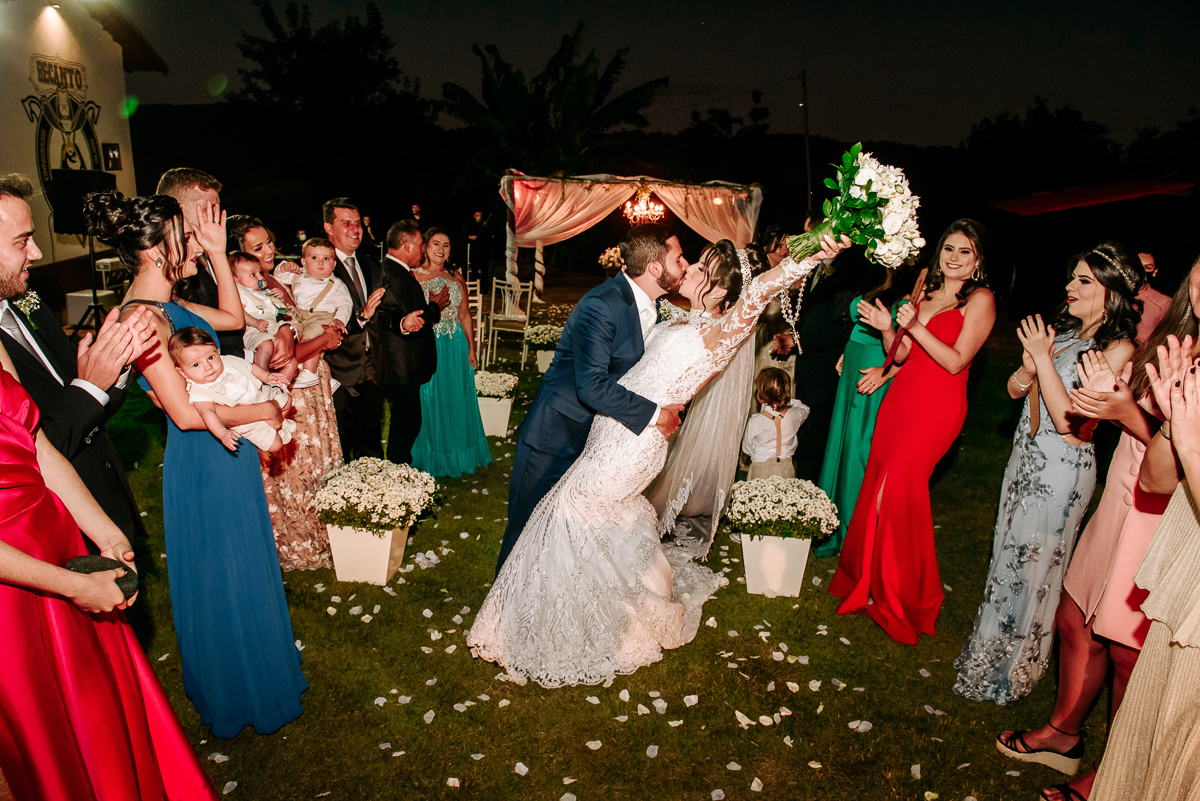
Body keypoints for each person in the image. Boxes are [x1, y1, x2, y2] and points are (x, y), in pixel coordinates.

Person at [467, 235, 848, 687]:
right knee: (587, 522)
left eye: (701, 270)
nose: (688, 270)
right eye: (688, 262)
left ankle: (561, 627)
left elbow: (760, 288)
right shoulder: (683, 319)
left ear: (724, 293)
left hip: (634, 445)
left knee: (570, 512)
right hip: (612, 434)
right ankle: (588, 606)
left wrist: (812, 256)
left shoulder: (721, 331)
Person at [88, 190, 308, 738]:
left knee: (245, 563)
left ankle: (261, 674)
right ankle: (237, 691)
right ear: (157, 246)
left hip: (228, 450)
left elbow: (232, 318)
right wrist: (269, 408)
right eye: (184, 236)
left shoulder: (173, 307)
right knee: (222, 573)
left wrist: (215, 252)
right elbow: (185, 416)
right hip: (204, 459)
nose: (190, 242)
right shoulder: (140, 320)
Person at [997, 254, 1198, 801]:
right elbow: (1112, 415)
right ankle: (1063, 733)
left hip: (1162, 508)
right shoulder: (1179, 338)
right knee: (1074, 614)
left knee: (1131, 650)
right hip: (1122, 488)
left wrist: (1122, 407)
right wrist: (1109, 398)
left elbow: (1172, 447)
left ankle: (1115, 772)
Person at [0, 351, 218, 800]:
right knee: (53, 733)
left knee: (105, 710)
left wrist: (106, 534)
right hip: (14, 589)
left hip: (59, 544)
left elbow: (34, 444)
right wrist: (74, 586)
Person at [955, 243, 1140, 705]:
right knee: (1007, 552)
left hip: (1062, 467)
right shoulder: (1067, 331)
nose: (1068, 287)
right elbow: (1014, 390)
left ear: (1110, 292)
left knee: (1035, 566)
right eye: (1072, 277)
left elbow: (1069, 421)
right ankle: (987, 652)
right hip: (1026, 455)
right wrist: (1027, 364)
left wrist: (1043, 356)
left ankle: (1015, 669)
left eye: (1083, 281)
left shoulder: (1118, 348)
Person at [830, 219, 997, 645]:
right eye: (949, 248)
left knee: (900, 488)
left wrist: (916, 326)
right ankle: (867, 580)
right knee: (880, 486)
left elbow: (957, 361)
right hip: (901, 400)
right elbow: (900, 353)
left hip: (938, 406)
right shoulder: (924, 292)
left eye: (965, 251)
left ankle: (902, 596)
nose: (954, 257)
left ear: (977, 262)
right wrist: (889, 327)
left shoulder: (980, 301)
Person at [494, 224, 689, 574]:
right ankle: (499, 621)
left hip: (597, 446)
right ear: (655, 268)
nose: (685, 264)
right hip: (554, 436)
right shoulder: (602, 304)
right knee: (523, 533)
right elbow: (592, 386)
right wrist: (656, 415)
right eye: (679, 257)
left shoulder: (655, 309)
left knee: (562, 539)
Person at [0, 173, 151, 552]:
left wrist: (111, 370)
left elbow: (79, 399)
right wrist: (89, 388)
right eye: (22, 241)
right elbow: (27, 452)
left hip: (100, 496)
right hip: (52, 526)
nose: (35, 252)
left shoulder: (25, 299)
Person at [1089, 327, 1200, 800]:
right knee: (1156, 735)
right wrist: (1175, 426)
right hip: (1186, 574)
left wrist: (1190, 444)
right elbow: (1155, 483)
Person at [231, 216, 346, 572]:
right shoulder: (244, 295)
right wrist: (324, 341)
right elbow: (283, 356)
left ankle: (328, 534)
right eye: (257, 247)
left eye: (268, 242)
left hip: (312, 388)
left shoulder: (277, 281)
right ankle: (299, 544)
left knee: (318, 465)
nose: (268, 251)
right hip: (289, 392)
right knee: (295, 471)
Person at [645, 244, 770, 547]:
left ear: (718, 292)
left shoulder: (708, 335)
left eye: (702, 269)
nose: (688, 268)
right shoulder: (691, 321)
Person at [814, 265, 908, 557]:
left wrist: (886, 369)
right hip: (854, 357)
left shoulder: (906, 295)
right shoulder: (874, 279)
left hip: (874, 362)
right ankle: (832, 524)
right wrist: (847, 349)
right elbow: (858, 322)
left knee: (858, 446)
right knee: (842, 440)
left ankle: (854, 532)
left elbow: (907, 347)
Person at [158, 168, 296, 365]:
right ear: (179, 210)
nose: (216, 217)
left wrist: (285, 330)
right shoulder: (175, 271)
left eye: (217, 208)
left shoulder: (223, 257)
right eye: (208, 209)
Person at [772, 211, 858, 480]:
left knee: (821, 434)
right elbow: (812, 316)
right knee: (805, 432)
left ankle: (820, 492)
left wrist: (799, 341)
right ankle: (803, 488)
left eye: (810, 235)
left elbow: (843, 326)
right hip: (808, 363)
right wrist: (793, 336)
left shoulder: (849, 269)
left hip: (828, 368)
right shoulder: (818, 266)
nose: (805, 240)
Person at [408, 227, 492, 477]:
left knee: (456, 396)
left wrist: (472, 349)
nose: (441, 249)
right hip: (427, 343)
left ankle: (459, 451)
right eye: (436, 243)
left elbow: (465, 315)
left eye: (446, 245)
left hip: (455, 344)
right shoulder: (414, 276)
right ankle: (430, 453)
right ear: (425, 247)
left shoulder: (456, 278)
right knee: (429, 397)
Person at [377, 220, 450, 465]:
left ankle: (400, 467)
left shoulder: (396, 270)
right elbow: (409, 318)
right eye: (420, 245)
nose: (422, 250)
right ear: (406, 246)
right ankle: (398, 469)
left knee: (408, 420)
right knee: (406, 421)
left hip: (406, 365)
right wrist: (435, 306)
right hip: (400, 365)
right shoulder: (391, 273)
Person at [322, 197, 387, 460]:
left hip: (373, 369)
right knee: (341, 444)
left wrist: (404, 323)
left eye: (358, 223)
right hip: (339, 370)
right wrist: (359, 318)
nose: (354, 229)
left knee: (370, 443)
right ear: (328, 228)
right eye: (346, 223)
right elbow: (318, 318)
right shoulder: (319, 266)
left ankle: (372, 493)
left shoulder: (372, 264)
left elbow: (386, 312)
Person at [170, 327, 296, 453]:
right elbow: (208, 414)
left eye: (210, 357)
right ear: (183, 372)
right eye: (196, 365)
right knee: (275, 445)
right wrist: (222, 433)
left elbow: (251, 368)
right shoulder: (199, 392)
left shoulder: (228, 361)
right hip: (246, 421)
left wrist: (267, 376)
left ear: (217, 352)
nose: (208, 367)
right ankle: (277, 430)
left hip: (260, 394)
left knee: (288, 400)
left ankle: (280, 423)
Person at [276, 238, 354, 388]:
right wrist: (284, 267)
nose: (320, 263)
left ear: (334, 264)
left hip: (321, 317)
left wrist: (339, 320)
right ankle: (329, 379)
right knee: (299, 344)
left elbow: (345, 304)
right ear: (304, 262)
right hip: (300, 316)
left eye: (326, 259)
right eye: (314, 258)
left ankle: (309, 373)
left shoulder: (336, 284)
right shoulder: (299, 276)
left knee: (308, 341)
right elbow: (279, 277)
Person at [229, 250, 298, 381]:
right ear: (236, 280)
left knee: (292, 362)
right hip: (254, 331)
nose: (260, 277)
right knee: (266, 346)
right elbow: (239, 313)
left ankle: (278, 388)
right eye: (253, 275)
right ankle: (261, 380)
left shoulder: (265, 293)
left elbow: (282, 313)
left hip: (272, 330)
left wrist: (279, 300)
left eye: (260, 273)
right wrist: (255, 322)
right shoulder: (240, 292)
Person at [742, 366, 809, 480]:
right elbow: (805, 408)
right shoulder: (795, 415)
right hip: (786, 466)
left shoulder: (755, 421)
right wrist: (786, 401)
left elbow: (747, 448)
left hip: (760, 467)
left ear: (761, 396)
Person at [1135, 250, 1171, 344]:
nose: (1141, 271)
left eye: (1148, 267)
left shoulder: (1164, 303)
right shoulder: (1115, 294)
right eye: (1137, 265)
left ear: (1155, 272)